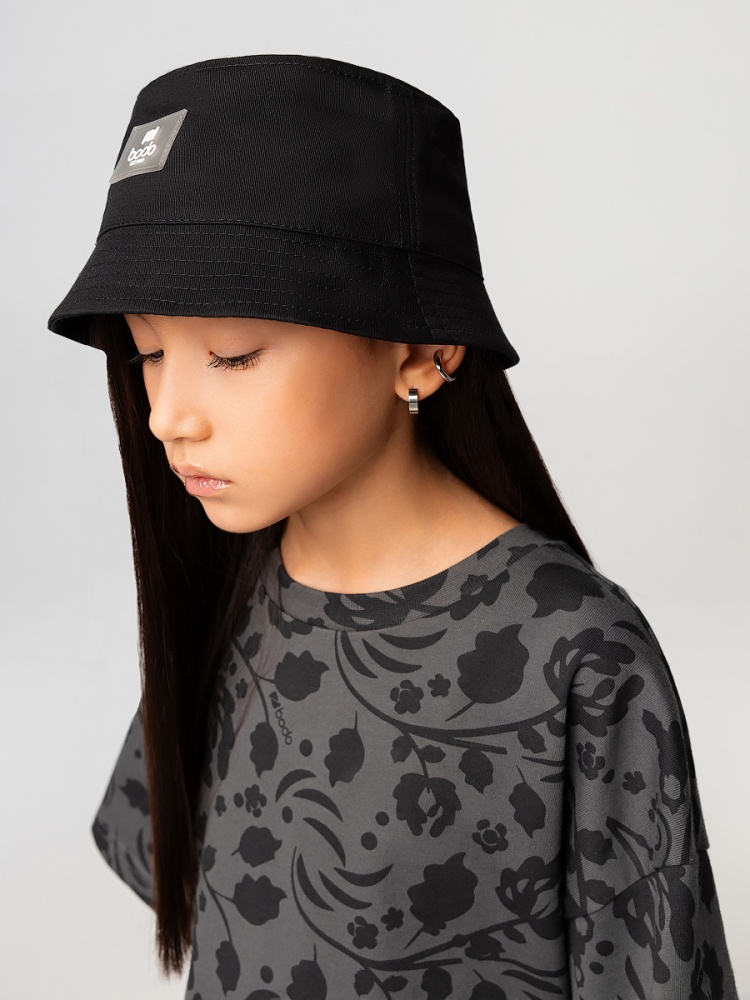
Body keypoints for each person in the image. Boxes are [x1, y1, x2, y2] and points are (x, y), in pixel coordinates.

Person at [47, 54, 738, 1000]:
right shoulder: (240, 595)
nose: (169, 415)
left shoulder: (577, 657)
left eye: (234, 354)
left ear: (422, 351)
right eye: (149, 353)